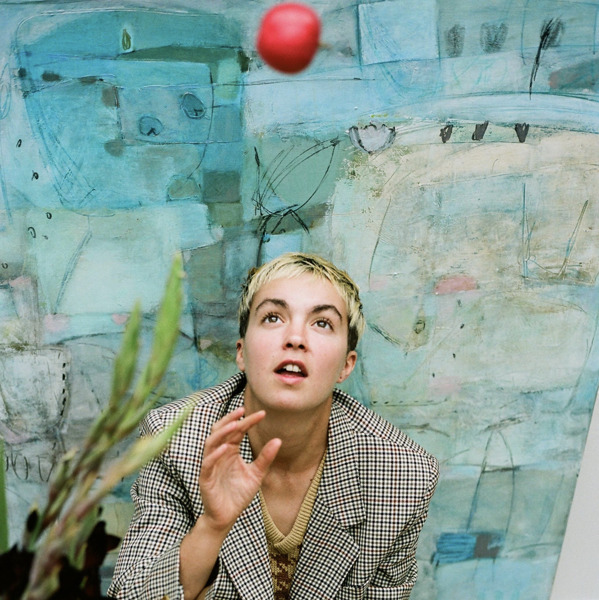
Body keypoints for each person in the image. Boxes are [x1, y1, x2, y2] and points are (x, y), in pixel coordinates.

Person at [108, 252, 439, 600]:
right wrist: (212, 526)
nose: (295, 337)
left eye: (322, 323)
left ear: (346, 365)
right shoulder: (173, 439)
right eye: (272, 317)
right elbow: (130, 594)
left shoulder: (404, 476)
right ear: (241, 352)